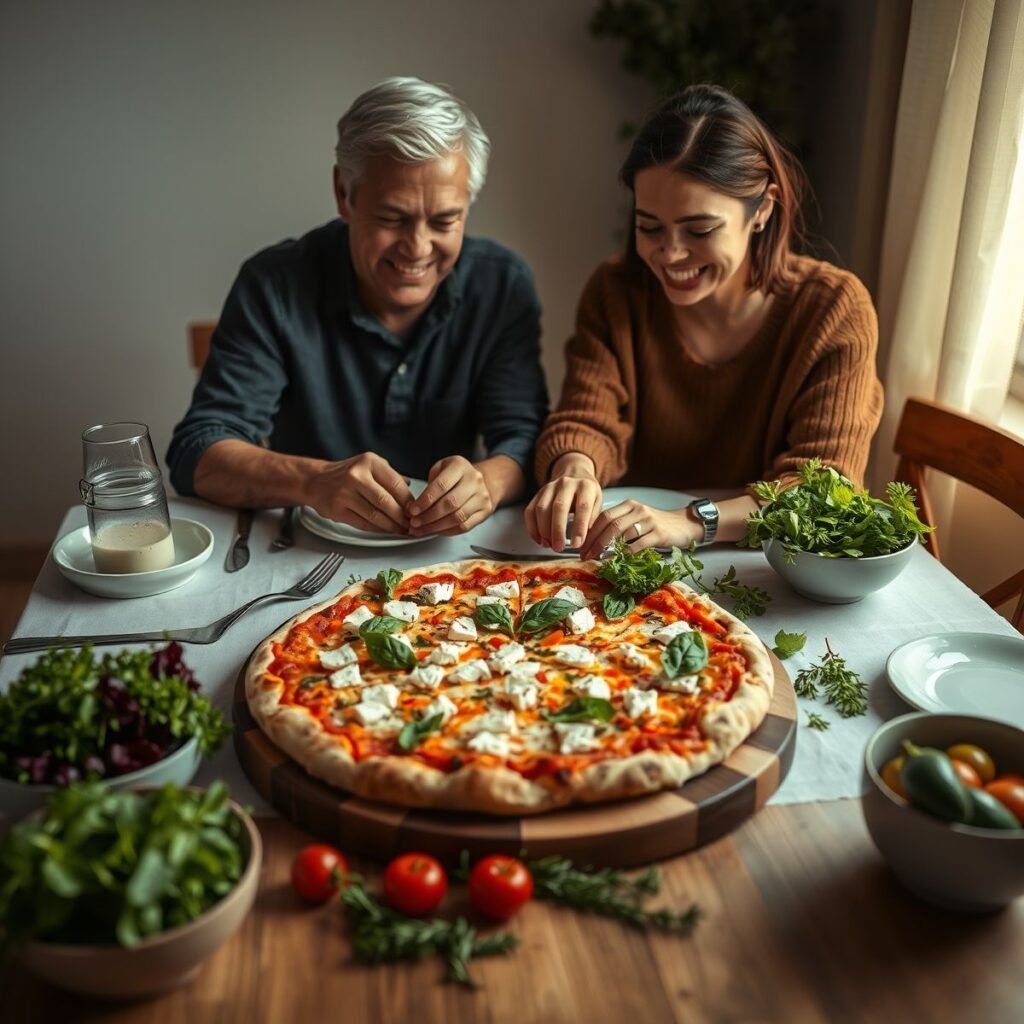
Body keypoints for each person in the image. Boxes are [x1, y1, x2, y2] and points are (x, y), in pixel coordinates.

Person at [167, 77, 548, 538]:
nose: (418, 247)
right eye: (392, 218)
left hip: (448, 560)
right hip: (304, 554)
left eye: (445, 220)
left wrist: (486, 483)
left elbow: (526, 439)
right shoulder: (274, 284)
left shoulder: (502, 284)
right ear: (343, 193)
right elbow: (197, 452)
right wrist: (314, 480)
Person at [526, 84, 883, 559]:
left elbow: (823, 488)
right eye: (649, 226)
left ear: (763, 210)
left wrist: (693, 522)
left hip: (762, 566)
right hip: (634, 555)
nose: (670, 254)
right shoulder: (615, 291)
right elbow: (588, 417)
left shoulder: (834, 309)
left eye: (699, 229)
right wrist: (575, 466)